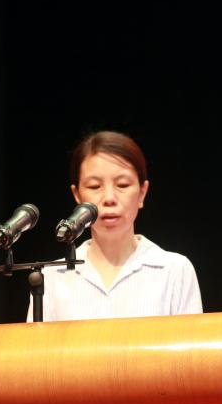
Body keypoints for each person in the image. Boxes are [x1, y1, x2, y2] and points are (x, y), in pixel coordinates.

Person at [30, 131, 203, 322]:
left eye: (122, 184)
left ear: (142, 192)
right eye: (95, 186)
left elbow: (193, 343)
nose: (109, 198)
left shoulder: (175, 271)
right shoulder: (52, 277)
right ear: (77, 195)